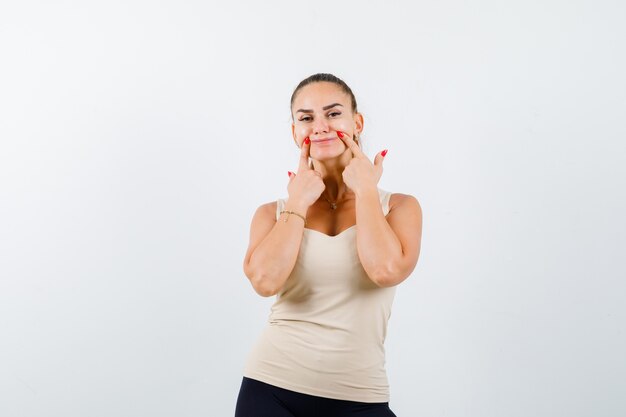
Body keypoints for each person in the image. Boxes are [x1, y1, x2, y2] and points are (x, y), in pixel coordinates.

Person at [234, 73, 422, 417]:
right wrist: (298, 204)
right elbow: (264, 282)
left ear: (357, 122)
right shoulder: (272, 213)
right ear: (295, 132)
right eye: (306, 118)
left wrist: (365, 190)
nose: (319, 126)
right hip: (270, 389)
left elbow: (385, 270)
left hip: (359, 396)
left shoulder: (398, 207)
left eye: (333, 114)